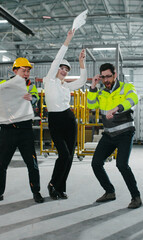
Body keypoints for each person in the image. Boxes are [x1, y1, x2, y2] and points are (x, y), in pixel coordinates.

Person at [0, 57, 44, 204]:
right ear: (15, 70)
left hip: (25, 130)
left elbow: (36, 98)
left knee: (32, 163)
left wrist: (31, 98)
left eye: (27, 71)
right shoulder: (3, 84)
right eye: (23, 70)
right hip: (7, 130)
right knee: (1, 164)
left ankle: (36, 192)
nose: (26, 73)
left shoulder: (30, 87)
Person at [87, 63, 142, 209]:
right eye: (103, 77)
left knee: (122, 164)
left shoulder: (126, 87)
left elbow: (133, 99)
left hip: (125, 132)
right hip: (109, 134)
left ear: (115, 75)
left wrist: (117, 108)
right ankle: (109, 191)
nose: (106, 80)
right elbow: (91, 106)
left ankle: (136, 196)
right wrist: (92, 87)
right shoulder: (100, 92)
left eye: (108, 76)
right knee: (96, 163)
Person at [44, 29, 87, 200]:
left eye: (66, 69)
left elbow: (82, 81)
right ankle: (53, 184)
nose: (64, 70)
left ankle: (60, 188)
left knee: (69, 156)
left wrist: (81, 62)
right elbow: (57, 59)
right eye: (61, 68)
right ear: (56, 69)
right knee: (63, 154)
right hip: (55, 120)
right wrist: (68, 39)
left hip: (69, 119)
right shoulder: (49, 81)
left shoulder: (65, 86)